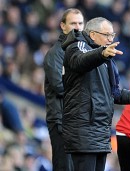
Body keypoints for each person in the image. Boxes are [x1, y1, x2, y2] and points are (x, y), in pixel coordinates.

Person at [61, 17, 130, 171]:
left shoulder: (105, 58)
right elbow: (81, 61)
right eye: (107, 35)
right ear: (92, 35)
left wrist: (128, 96)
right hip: (84, 130)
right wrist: (101, 54)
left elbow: (110, 92)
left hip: (100, 131)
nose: (110, 39)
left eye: (112, 35)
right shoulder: (77, 46)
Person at [43, 8, 84, 171]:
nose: (77, 27)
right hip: (61, 120)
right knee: (64, 167)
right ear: (63, 26)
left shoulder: (81, 51)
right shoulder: (55, 54)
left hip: (77, 121)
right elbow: (60, 87)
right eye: (73, 23)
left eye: (80, 23)